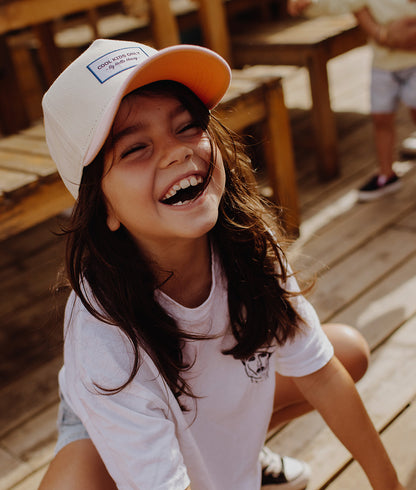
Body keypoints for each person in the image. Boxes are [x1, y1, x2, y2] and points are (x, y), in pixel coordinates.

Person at [38, 38, 404, 490]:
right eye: (135, 148)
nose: (176, 152)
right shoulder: (102, 338)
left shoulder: (244, 239)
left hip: (209, 390)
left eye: (188, 126)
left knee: (344, 354)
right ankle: (218, 458)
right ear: (103, 208)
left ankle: (241, 451)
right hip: (111, 422)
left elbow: (322, 377)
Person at [288, 0, 416, 202]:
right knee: (381, 118)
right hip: (383, 67)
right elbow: (337, 4)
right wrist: (309, 4)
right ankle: (386, 174)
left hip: (413, 63)